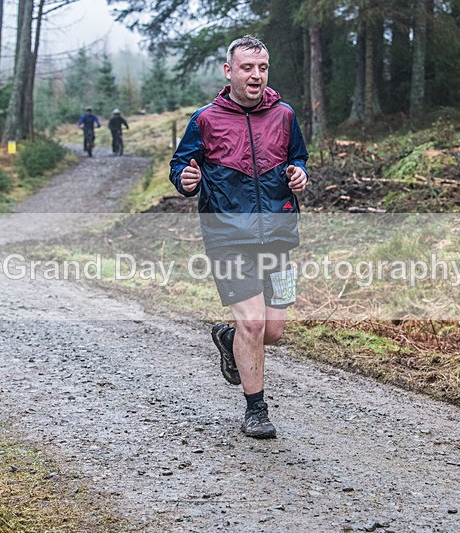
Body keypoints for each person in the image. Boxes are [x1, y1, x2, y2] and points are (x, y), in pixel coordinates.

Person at [169, 35, 309, 439]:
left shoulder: (284, 115)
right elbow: (181, 165)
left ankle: (228, 338)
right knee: (253, 323)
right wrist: (186, 179)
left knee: (274, 331)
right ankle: (256, 410)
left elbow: (297, 157)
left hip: (279, 236)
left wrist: (300, 173)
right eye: (247, 68)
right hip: (227, 236)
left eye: (262, 67)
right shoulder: (205, 119)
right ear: (229, 71)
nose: (256, 75)